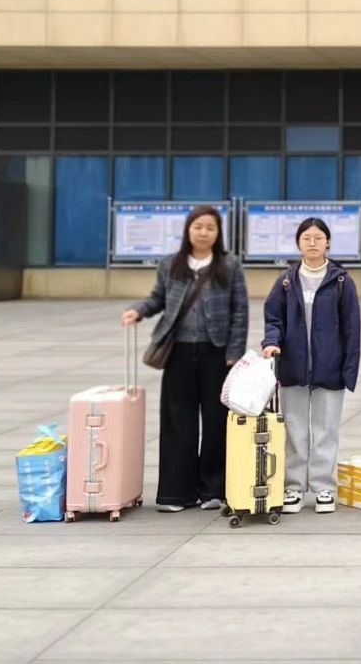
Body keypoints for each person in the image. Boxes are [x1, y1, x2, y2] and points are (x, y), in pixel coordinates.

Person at [121, 205, 249, 512]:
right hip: (178, 351)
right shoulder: (171, 264)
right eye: (198, 227)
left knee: (217, 422)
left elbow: (240, 310)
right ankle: (176, 493)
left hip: (216, 353)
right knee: (178, 420)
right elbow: (158, 298)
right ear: (188, 230)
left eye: (210, 228)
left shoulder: (229, 265)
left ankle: (213, 490)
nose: (203, 233)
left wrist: (235, 352)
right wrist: (138, 310)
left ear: (218, 233)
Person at [260, 217, 361, 515]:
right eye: (307, 238)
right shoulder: (286, 281)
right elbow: (273, 317)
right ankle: (293, 488)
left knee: (326, 430)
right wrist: (271, 341)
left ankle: (323, 488)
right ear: (298, 243)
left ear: (328, 242)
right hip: (292, 368)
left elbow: (352, 329)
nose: (313, 242)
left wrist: (349, 370)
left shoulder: (341, 281)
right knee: (294, 431)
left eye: (318, 237)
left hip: (330, 369)